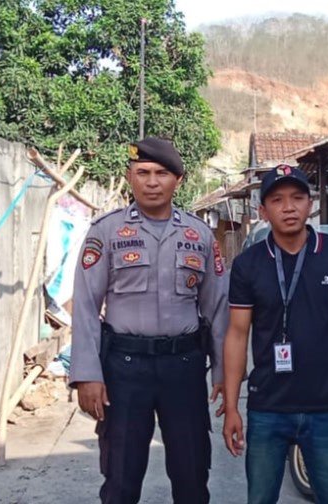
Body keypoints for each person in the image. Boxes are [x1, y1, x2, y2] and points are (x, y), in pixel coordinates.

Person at [70, 137, 229, 504]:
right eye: (142, 172)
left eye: (161, 173)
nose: (152, 181)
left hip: (184, 367)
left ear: (179, 180)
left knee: (191, 475)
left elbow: (217, 307)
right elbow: (85, 307)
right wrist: (87, 375)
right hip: (124, 369)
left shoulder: (199, 235)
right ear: (129, 177)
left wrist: (223, 371)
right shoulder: (105, 232)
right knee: (121, 478)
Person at [221, 165, 328, 504]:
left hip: (326, 406)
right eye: (277, 200)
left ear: (311, 205)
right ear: (263, 211)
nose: (289, 207)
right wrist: (232, 406)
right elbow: (236, 334)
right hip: (267, 407)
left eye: (297, 198)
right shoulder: (249, 264)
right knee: (260, 498)